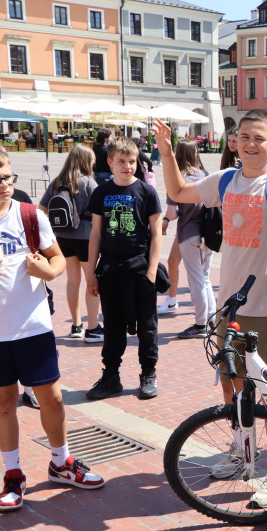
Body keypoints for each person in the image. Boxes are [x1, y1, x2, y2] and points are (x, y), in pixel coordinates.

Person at [159, 110, 267, 508]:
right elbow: (179, 192)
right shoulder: (226, 180)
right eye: (243, 136)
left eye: (259, 138)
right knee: (232, 382)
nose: (250, 144)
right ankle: (241, 450)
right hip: (231, 304)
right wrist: (166, 153)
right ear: (233, 141)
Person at [0, 142, 104, 510]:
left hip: (33, 326)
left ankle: (61, 462)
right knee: (3, 402)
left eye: (8, 175)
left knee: (50, 398)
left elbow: (55, 262)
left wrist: (46, 270)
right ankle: (13, 475)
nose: (4, 183)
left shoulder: (29, 215)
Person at [85, 137, 163, 401]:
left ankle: (148, 373)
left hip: (140, 268)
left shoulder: (146, 192)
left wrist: (152, 270)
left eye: (132, 161)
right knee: (113, 326)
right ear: (110, 162)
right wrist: (91, 272)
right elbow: (95, 234)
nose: (128, 166)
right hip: (110, 270)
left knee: (147, 328)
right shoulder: (101, 192)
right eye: (121, 161)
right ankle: (111, 377)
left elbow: (157, 234)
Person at [39, 145, 103, 342]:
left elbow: (41, 209)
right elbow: (100, 213)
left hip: (63, 237)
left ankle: (76, 326)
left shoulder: (57, 182)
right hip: (85, 237)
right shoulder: (88, 183)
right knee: (92, 280)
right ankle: (93, 328)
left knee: (72, 281)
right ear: (86, 161)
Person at [165, 138, 215, 339]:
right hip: (209, 234)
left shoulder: (177, 180)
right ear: (195, 154)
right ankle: (212, 319)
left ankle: (200, 323)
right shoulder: (205, 176)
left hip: (188, 233)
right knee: (205, 278)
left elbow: (171, 214)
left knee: (196, 281)